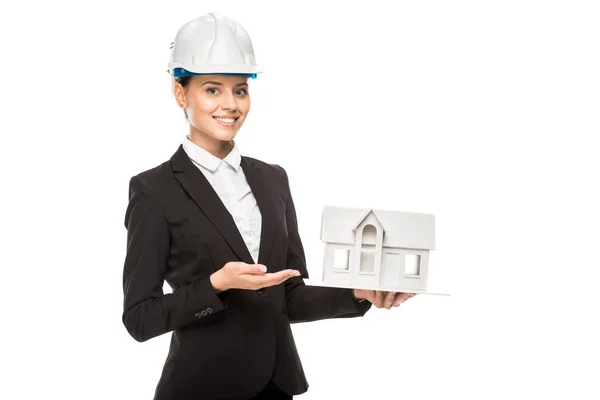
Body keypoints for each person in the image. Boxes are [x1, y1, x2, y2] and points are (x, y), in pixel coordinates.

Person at [122, 12, 415, 400]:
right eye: (212, 89)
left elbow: (288, 294)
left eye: (240, 90)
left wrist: (359, 292)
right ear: (181, 93)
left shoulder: (273, 178)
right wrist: (216, 284)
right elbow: (139, 318)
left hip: (277, 385)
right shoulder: (153, 189)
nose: (230, 104)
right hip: (201, 388)